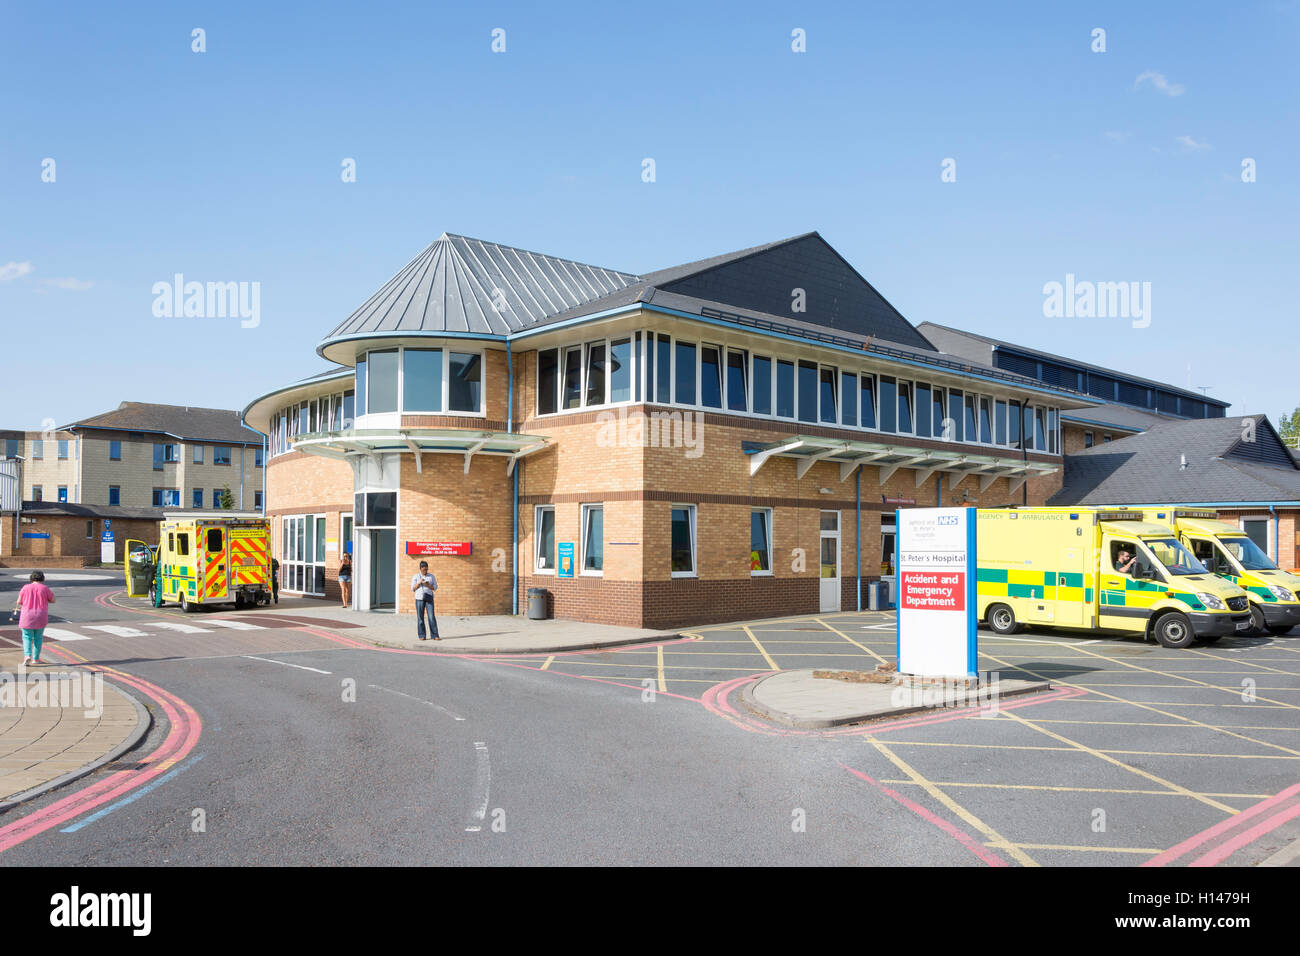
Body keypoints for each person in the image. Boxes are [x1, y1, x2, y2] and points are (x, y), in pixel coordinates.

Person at [13, 571, 55, 667]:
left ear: (31, 578)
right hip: (41, 615)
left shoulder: (25, 588)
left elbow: (19, 601)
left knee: (26, 637)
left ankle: (27, 655)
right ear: (42, 578)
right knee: (38, 638)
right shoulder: (45, 588)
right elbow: (53, 600)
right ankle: (36, 658)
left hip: (27, 615)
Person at [411, 560, 439, 641]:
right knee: (420, 617)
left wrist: (428, 585)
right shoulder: (416, 576)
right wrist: (419, 583)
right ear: (420, 568)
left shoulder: (431, 576)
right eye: (424, 569)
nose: (425, 571)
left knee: (431, 617)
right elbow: (413, 588)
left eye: (426, 569)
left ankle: (435, 635)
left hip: (429, 598)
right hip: (419, 599)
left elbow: (435, 588)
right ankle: (422, 635)